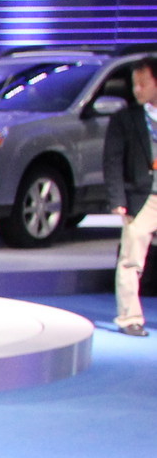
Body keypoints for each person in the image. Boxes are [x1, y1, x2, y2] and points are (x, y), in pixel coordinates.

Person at [102, 55, 156, 337]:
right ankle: (130, 317)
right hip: (141, 195)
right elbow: (112, 160)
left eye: (143, 84)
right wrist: (117, 199)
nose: (137, 90)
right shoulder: (125, 118)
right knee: (131, 259)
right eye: (135, 84)